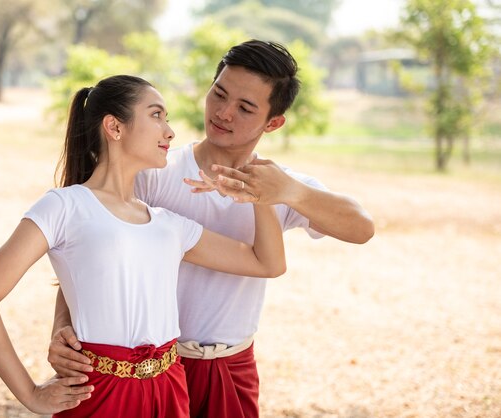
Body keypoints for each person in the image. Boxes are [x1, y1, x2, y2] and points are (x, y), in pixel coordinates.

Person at [49, 41, 375, 418]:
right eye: (218, 93)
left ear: (273, 122)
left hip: (230, 366)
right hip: (142, 367)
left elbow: (361, 227)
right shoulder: (155, 171)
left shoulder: (280, 188)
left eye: (245, 107)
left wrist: (285, 191)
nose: (223, 112)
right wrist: (62, 327)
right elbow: (87, 258)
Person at [0, 74, 287, 417]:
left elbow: (267, 263)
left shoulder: (168, 224)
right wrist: (30, 393)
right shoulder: (63, 207)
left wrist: (256, 190)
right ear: (115, 127)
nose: (169, 131)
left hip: (170, 389)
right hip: (99, 393)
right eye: (156, 115)